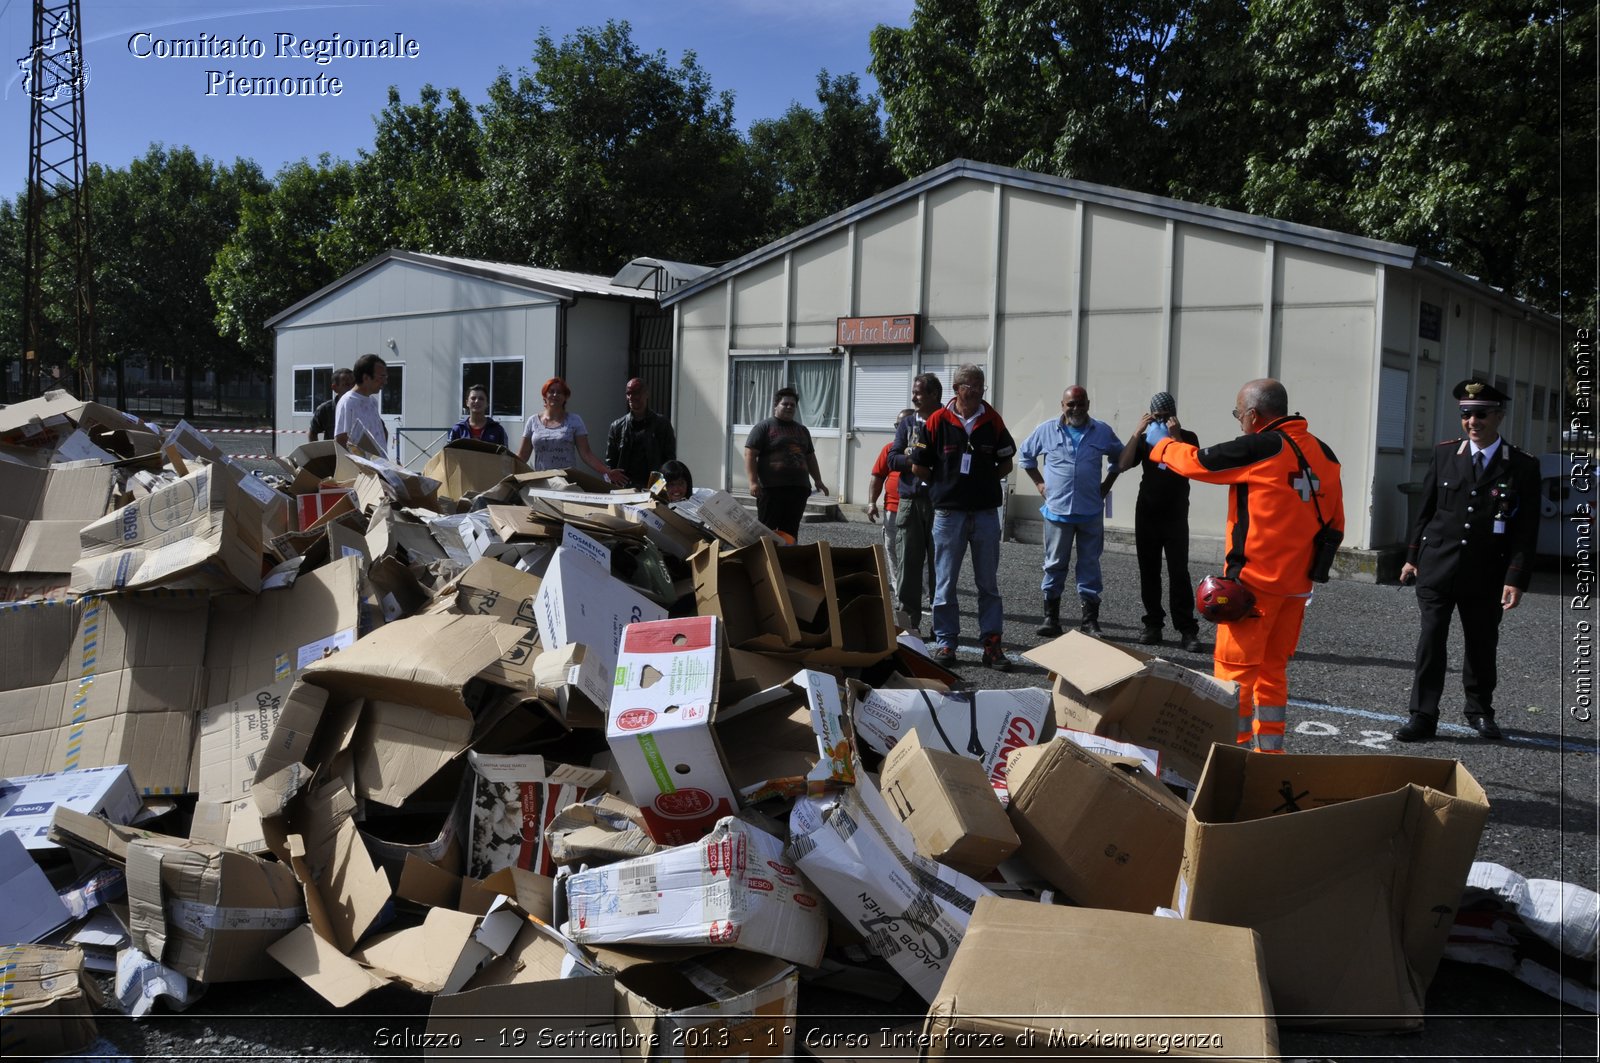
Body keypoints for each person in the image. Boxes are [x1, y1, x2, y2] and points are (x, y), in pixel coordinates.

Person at [1150, 378, 1344, 753]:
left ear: (1254, 415)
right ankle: (1269, 754)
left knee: (1234, 678)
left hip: (1252, 588)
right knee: (1273, 674)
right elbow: (1336, 523)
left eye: (1239, 414)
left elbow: (1197, 463)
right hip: (1297, 589)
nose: (1239, 421)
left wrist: (1162, 446)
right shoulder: (1325, 454)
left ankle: (1230, 755)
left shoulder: (1261, 446)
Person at [1395, 379, 1540, 742]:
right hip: (1438, 564)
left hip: (1487, 570)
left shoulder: (1521, 465)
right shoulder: (1445, 454)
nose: (1472, 421)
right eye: (1465, 414)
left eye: (1480, 414)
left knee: (1481, 643)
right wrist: (1412, 557)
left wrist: (1516, 577)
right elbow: (1426, 509)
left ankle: (1479, 711)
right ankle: (1422, 716)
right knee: (1431, 640)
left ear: (1499, 415)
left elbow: (1526, 528)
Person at [909, 364, 1017, 671]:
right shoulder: (936, 421)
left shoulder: (992, 420)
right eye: (972, 386)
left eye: (981, 386)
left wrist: (982, 484)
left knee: (988, 584)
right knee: (945, 581)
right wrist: (943, 487)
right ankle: (946, 642)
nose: (978, 391)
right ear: (957, 389)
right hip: (948, 513)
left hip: (984, 513)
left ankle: (992, 645)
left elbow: (1006, 462)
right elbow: (918, 465)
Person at [1018, 385, 1123, 637]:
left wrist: (1106, 486)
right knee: (1054, 565)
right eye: (1070, 404)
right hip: (1057, 512)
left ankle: (1089, 620)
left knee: (1089, 565)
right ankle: (1051, 618)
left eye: (1080, 403)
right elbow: (1025, 456)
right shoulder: (1046, 430)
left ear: (1088, 403)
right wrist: (1040, 484)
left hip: (1090, 512)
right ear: (1062, 405)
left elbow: (1119, 459)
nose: (1076, 408)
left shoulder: (1102, 431)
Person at [1117, 391, 1203, 652]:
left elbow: (1191, 465)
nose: (1161, 420)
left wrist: (1174, 437)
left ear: (1174, 415)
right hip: (1147, 513)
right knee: (1149, 570)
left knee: (1179, 572)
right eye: (1157, 416)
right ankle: (1153, 623)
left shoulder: (1187, 437)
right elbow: (1122, 464)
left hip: (1175, 515)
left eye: (1166, 416)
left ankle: (1187, 628)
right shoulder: (1146, 440)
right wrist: (1137, 432)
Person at [888, 375, 941, 633]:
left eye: (919, 393)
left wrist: (916, 456)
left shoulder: (947, 421)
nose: (914, 397)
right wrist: (916, 460)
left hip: (939, 503)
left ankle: (941, 628)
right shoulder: (907, 423)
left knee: (940, 567)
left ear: (934, 394)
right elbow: (892, 458)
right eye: (913, 392)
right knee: (908, 566)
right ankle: (908, 628)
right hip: (910, 502)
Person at [744, 386, 828, 540]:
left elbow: (810, 457)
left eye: (793, 405)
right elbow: (750, 454)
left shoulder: (802, 430)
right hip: (771, 489)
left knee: (790, 531)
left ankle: (786, 560)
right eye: (785, 404)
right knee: (766, 530)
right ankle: (763, 561)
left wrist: (818, 480)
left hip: (798, 490)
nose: (789, 407)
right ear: (776, 405)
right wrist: (753, 482)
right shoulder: (764, 427)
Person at [516, 377, 626, 484]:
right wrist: (503, 468)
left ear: (565, 397)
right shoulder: (533, 421)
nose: (555, 395)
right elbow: (522, 456)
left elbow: (586, 454)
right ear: (545, 395)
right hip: (542, 481)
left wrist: (607, 471)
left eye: (559, 392)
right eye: (551, 391)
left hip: (567, 481)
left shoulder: (574, 420)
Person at [867, 409, 915, 602]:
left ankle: (925, 592)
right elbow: (877, 477)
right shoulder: (889, 449)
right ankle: (899, 589)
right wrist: (871, 502)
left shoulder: (925, 448)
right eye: (897, 425)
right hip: (892, 509)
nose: (899, 429)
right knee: (892, 549)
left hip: (918, 509)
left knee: (921, 554)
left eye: (904, 425)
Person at [605, 377, 678, 489]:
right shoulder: (616, 427)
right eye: (628, 393)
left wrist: (659, 487)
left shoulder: (662, 424)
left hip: (653, 487)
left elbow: (669, 461)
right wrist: (613, 479)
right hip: (625, 488)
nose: (631, 397)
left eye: (636, 393)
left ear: (646, 394)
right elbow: (610, 463)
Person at [334, 353, 388, 453]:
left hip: (378, 466)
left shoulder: (373, 402)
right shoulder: (348, 402)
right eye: (382, 376)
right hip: (359, 467)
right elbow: (341, 440)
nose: (385, 382)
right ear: (366, 377)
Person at [309, 367, 353, 442]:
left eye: (354, 384)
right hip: (334, 452)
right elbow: (313, 432)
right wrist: (318, 452)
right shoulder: (325, 410)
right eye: (347, 384)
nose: (352, 388)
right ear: (335, 388)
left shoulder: (364, 407)